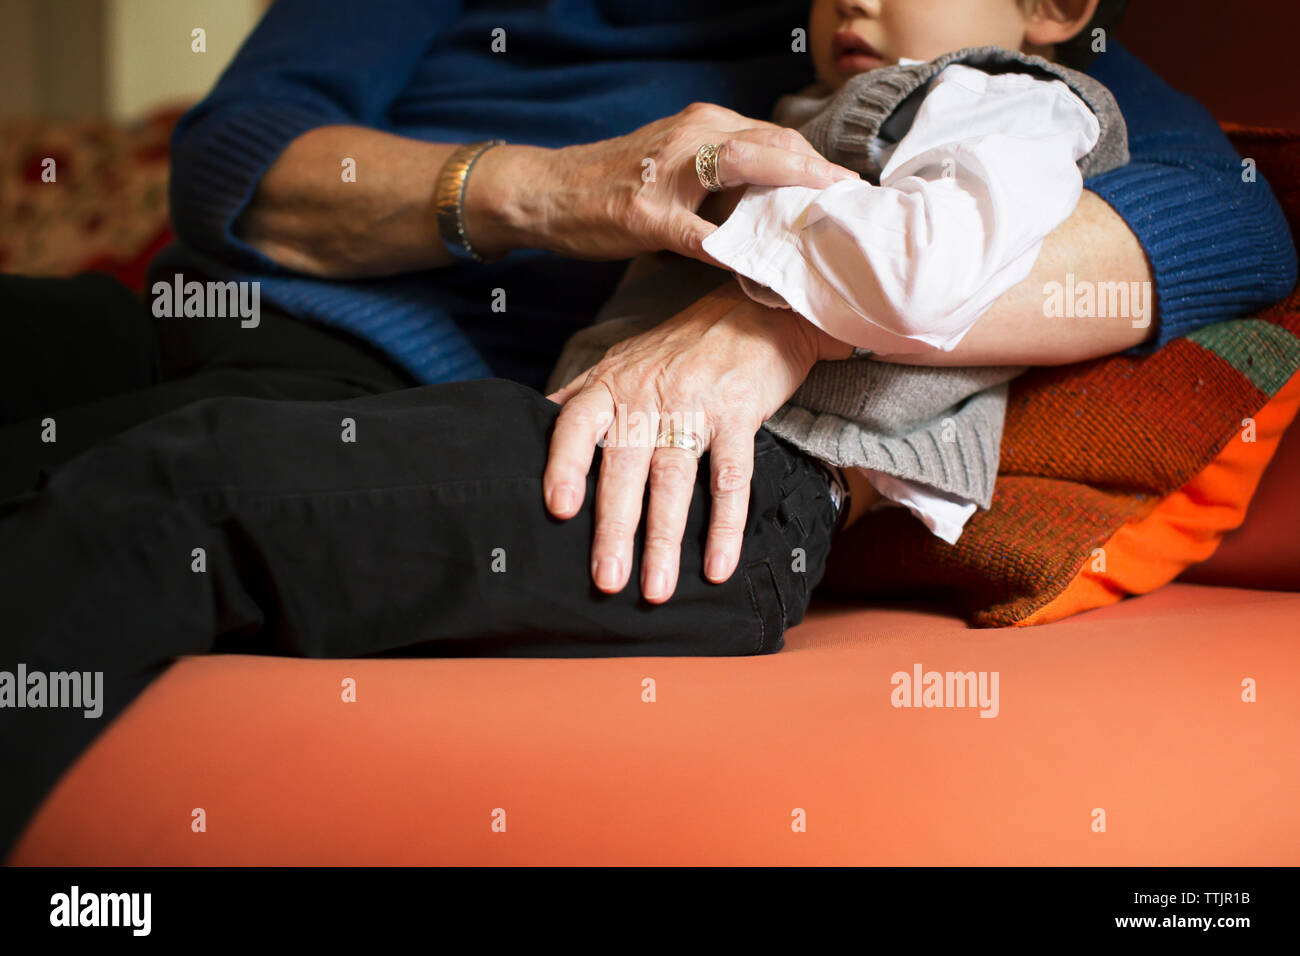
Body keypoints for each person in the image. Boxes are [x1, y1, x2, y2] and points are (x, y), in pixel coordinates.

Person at [1, 0, 1296, 856]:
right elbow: (236, 155)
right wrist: (557, 190)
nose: (853, 1)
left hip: (706, 467)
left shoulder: (1010, 88)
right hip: (412, 370)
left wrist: (776, 315)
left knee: (172, 488)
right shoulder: (831, 83)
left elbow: (1203, 222)